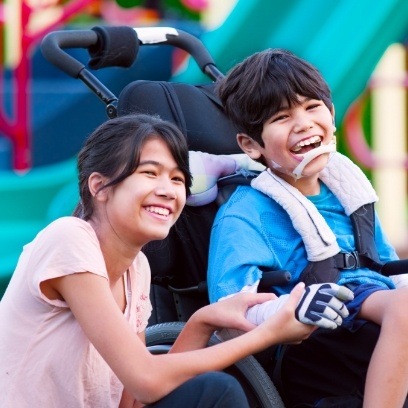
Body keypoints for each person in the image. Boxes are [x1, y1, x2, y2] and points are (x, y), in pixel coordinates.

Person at [0, 113, 321, 408]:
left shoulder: (136, 267)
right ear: (99, 187)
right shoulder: (68, 239)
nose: (168, 190)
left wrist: (202, 322)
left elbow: (135, 399)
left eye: (178, 179)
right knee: (218, 391)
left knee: (211, 391)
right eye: (150, 173)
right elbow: (147, 379)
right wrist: (266, 334)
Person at [207, 49, 408, 408]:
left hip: (375, 321)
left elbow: (390, 269)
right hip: (314, 339)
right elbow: (229, 308)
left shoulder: (350, 193)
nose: (303, 123)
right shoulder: (246, 213)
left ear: (331, 115)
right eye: (282, 117)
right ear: (252, 145)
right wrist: (290, 310)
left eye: (312, 107)